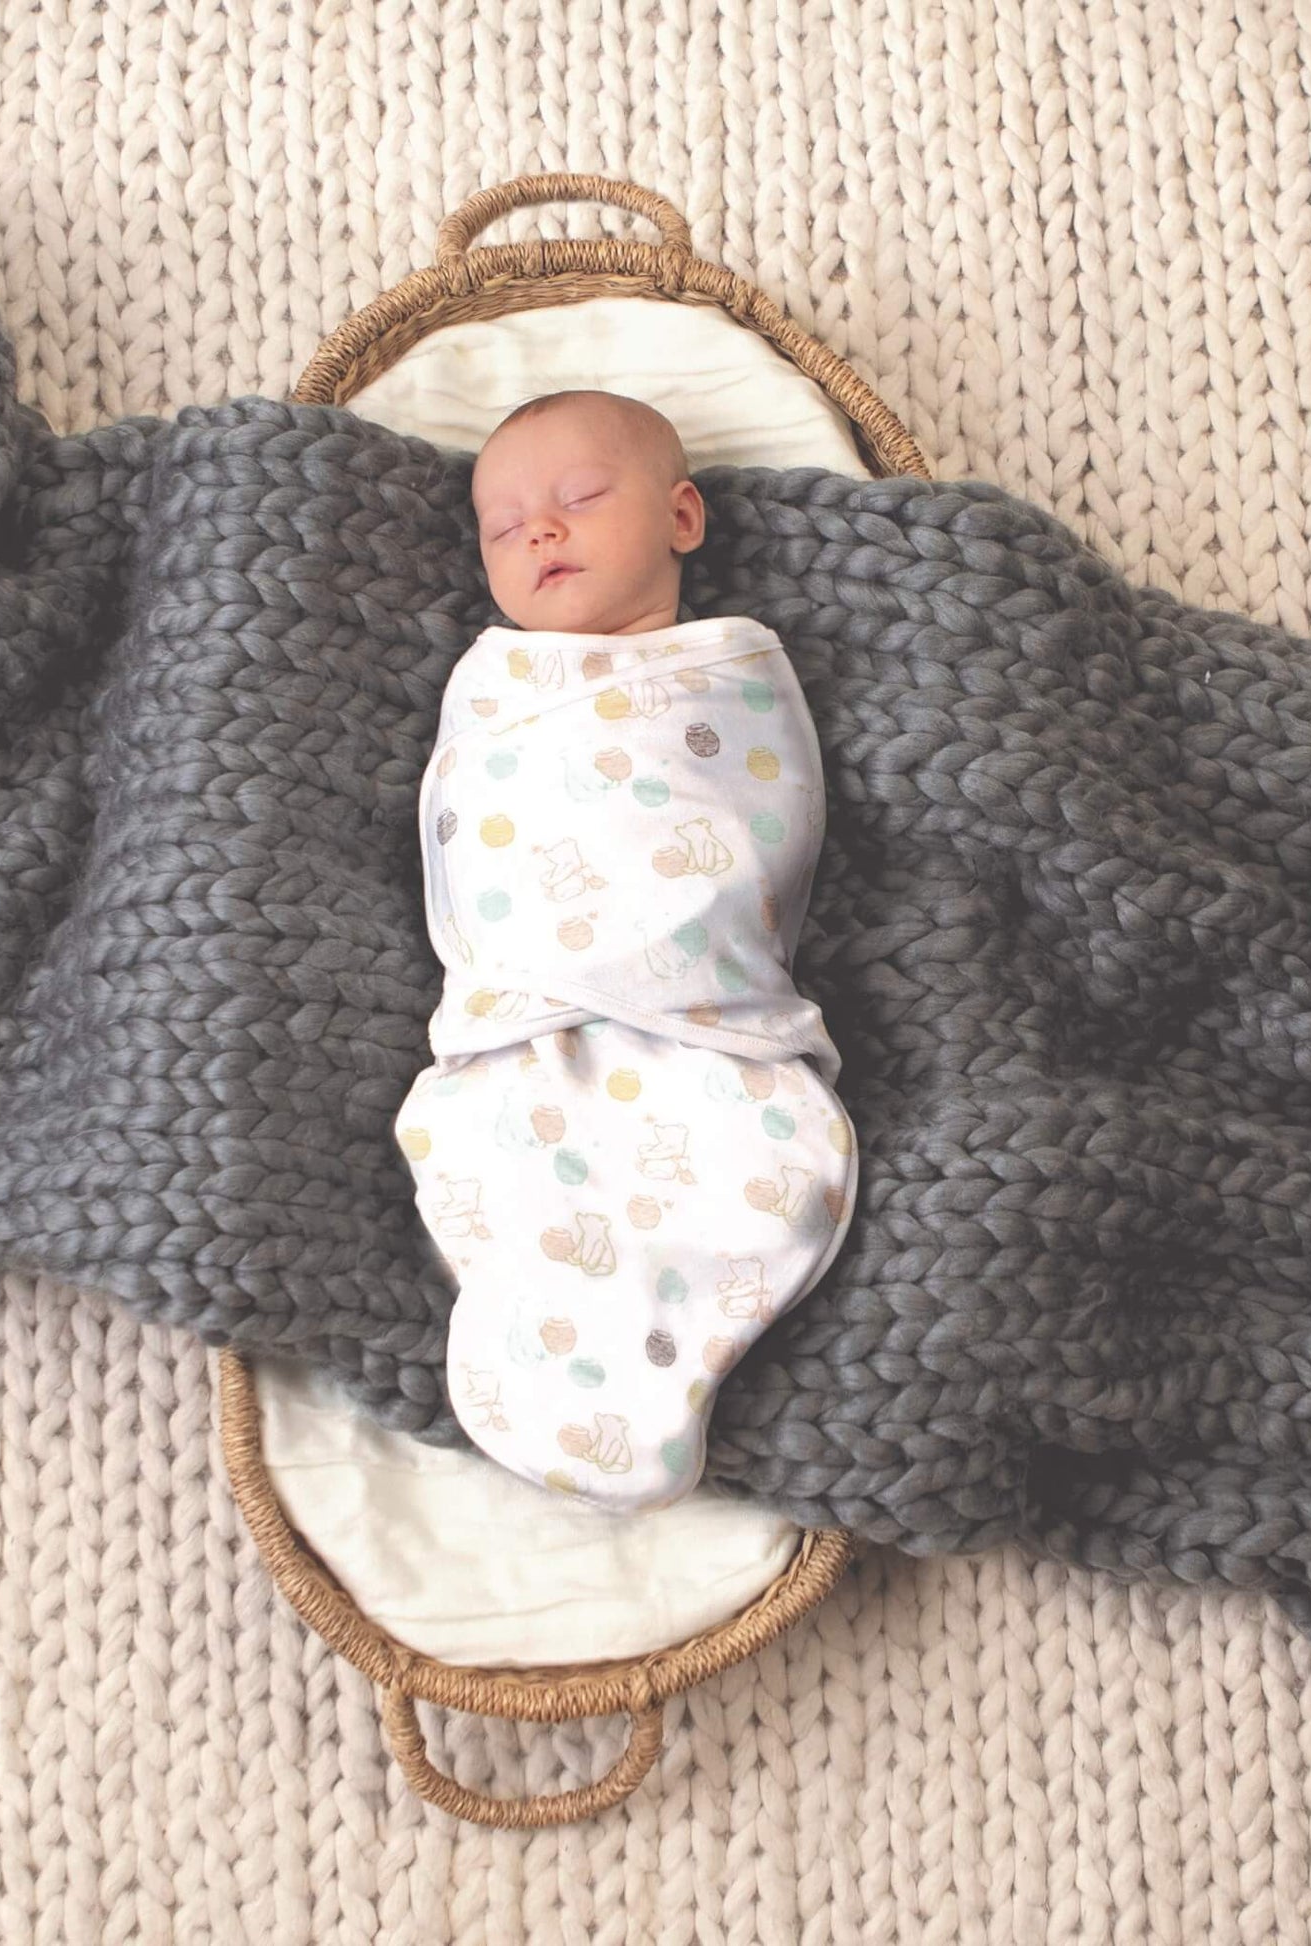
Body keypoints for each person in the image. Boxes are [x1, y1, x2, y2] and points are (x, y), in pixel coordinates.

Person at [392, 389, 858, 1510]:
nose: (538, 531)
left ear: (681, 519)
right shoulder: (501, 681)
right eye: (503, 528)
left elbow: (768, 824)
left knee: (763, 1176)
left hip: (702, 1012)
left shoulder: (727, 672)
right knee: (496, 1160)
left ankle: (669, 1367)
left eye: (578, 499)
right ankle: (551, 1357)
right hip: (529, 1014)